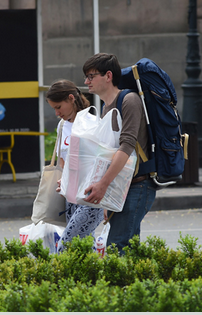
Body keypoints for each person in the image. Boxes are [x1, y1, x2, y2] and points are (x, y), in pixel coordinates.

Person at [81, 53, 157, 254]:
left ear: (108, 76)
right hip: (122, 187)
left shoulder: (129, 100)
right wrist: (108, 196)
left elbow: (127, 146)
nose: (86, 81)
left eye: (91, 76)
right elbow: (108, 154)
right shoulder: (107, 108)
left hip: (139, 184)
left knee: (117, 248)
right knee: (128, 249)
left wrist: (103, 186)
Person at [46, 79, 104, 253]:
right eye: (53, 109)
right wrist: (62, 179)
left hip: (89, 197)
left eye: (58, 107)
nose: (57, 113)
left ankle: (58, 279)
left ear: (71, 98)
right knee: (85, 249)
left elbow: (100, 162)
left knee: (66, 246)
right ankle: (97, 279)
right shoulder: (62, 125)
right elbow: (62, 159)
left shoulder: (93, 123)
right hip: (70, 197)